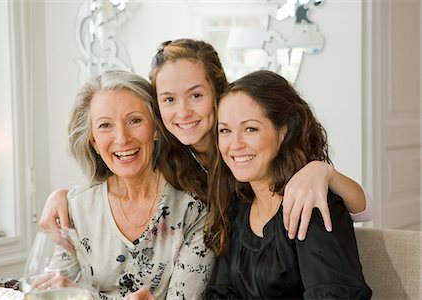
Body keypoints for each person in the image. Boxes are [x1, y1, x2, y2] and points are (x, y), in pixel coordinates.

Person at [40, 39, 372, 250]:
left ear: (218, 92)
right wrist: (64, 197)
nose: (183, 112)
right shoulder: (168, 155)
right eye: (169, 99)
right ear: (157, 109)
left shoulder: (249, 150)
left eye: (196, 95)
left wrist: (321, 172)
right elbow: (121, 171)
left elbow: (365, 211)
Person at [38, 70, 214, 299]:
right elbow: (52, 290)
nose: (122, 138)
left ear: (156, 129)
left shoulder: (194, 209)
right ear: (93, 139)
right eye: (105, 125)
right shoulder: (76, 206)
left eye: (135, 120)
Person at [205, 70, 372, 299]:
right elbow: (222, 294)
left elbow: (331, 295)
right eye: (225, 130)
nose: (235, 144)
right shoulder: (237, 207)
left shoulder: (312, 206)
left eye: (250, 129)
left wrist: (325, 172)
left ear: (283, 132)